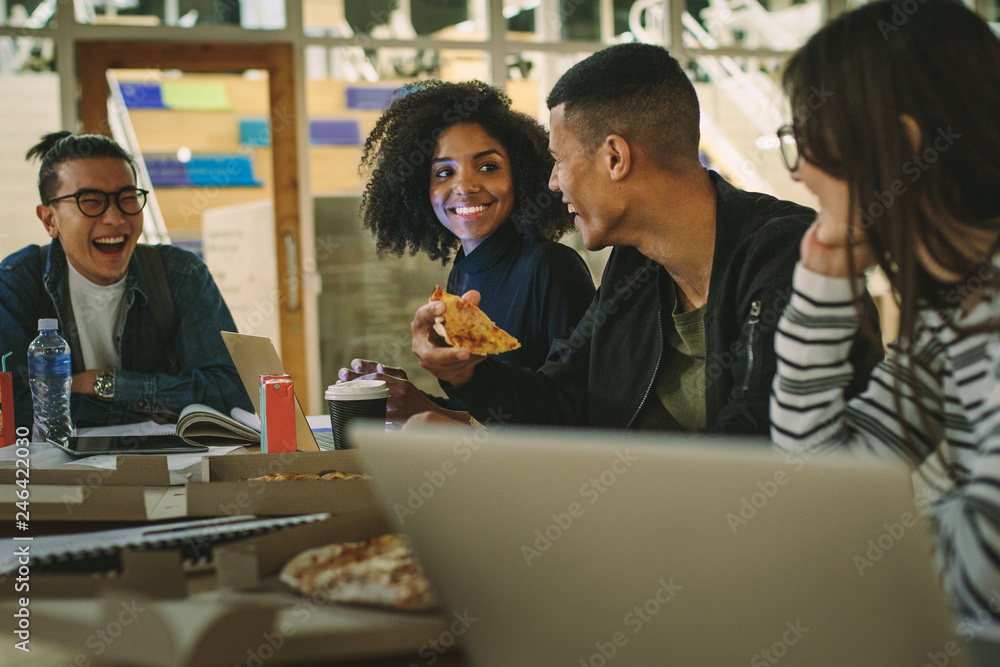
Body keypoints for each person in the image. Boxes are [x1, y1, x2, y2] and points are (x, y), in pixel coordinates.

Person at [409, 43, 884, 433]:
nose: (553, 182)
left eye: (559, 159)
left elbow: (756, 446)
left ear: (615, 157)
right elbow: (561, 401)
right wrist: (466, 372)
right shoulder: (634, 266)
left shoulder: (784, 254)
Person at [769, 0, 1000, 631]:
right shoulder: (953, 309)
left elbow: (989, 568)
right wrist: (821, 277)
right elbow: (822, 480)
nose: (801, 170)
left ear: (899, 147)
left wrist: (851, 555)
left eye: (810, 137)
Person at [338, 80, 596, 424]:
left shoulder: (552, 267)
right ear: (421, 190)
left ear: (520, 173)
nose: (465, 187)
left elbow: (572, 413)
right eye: (444, 172)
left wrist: (440, 400)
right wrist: (407, 396)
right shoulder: (462, 272)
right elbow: (484, 418)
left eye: (488, 167)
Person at [0, 131, 251, 431]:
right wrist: (153, 411)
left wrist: (104, 384)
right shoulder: (16, 283)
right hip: (55, 475)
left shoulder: (180, 276)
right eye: (91, 201)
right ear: (49, 220)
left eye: (127, 198)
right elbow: (16, 411)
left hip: (171, 473)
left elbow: (233, 395)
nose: (115, 218)